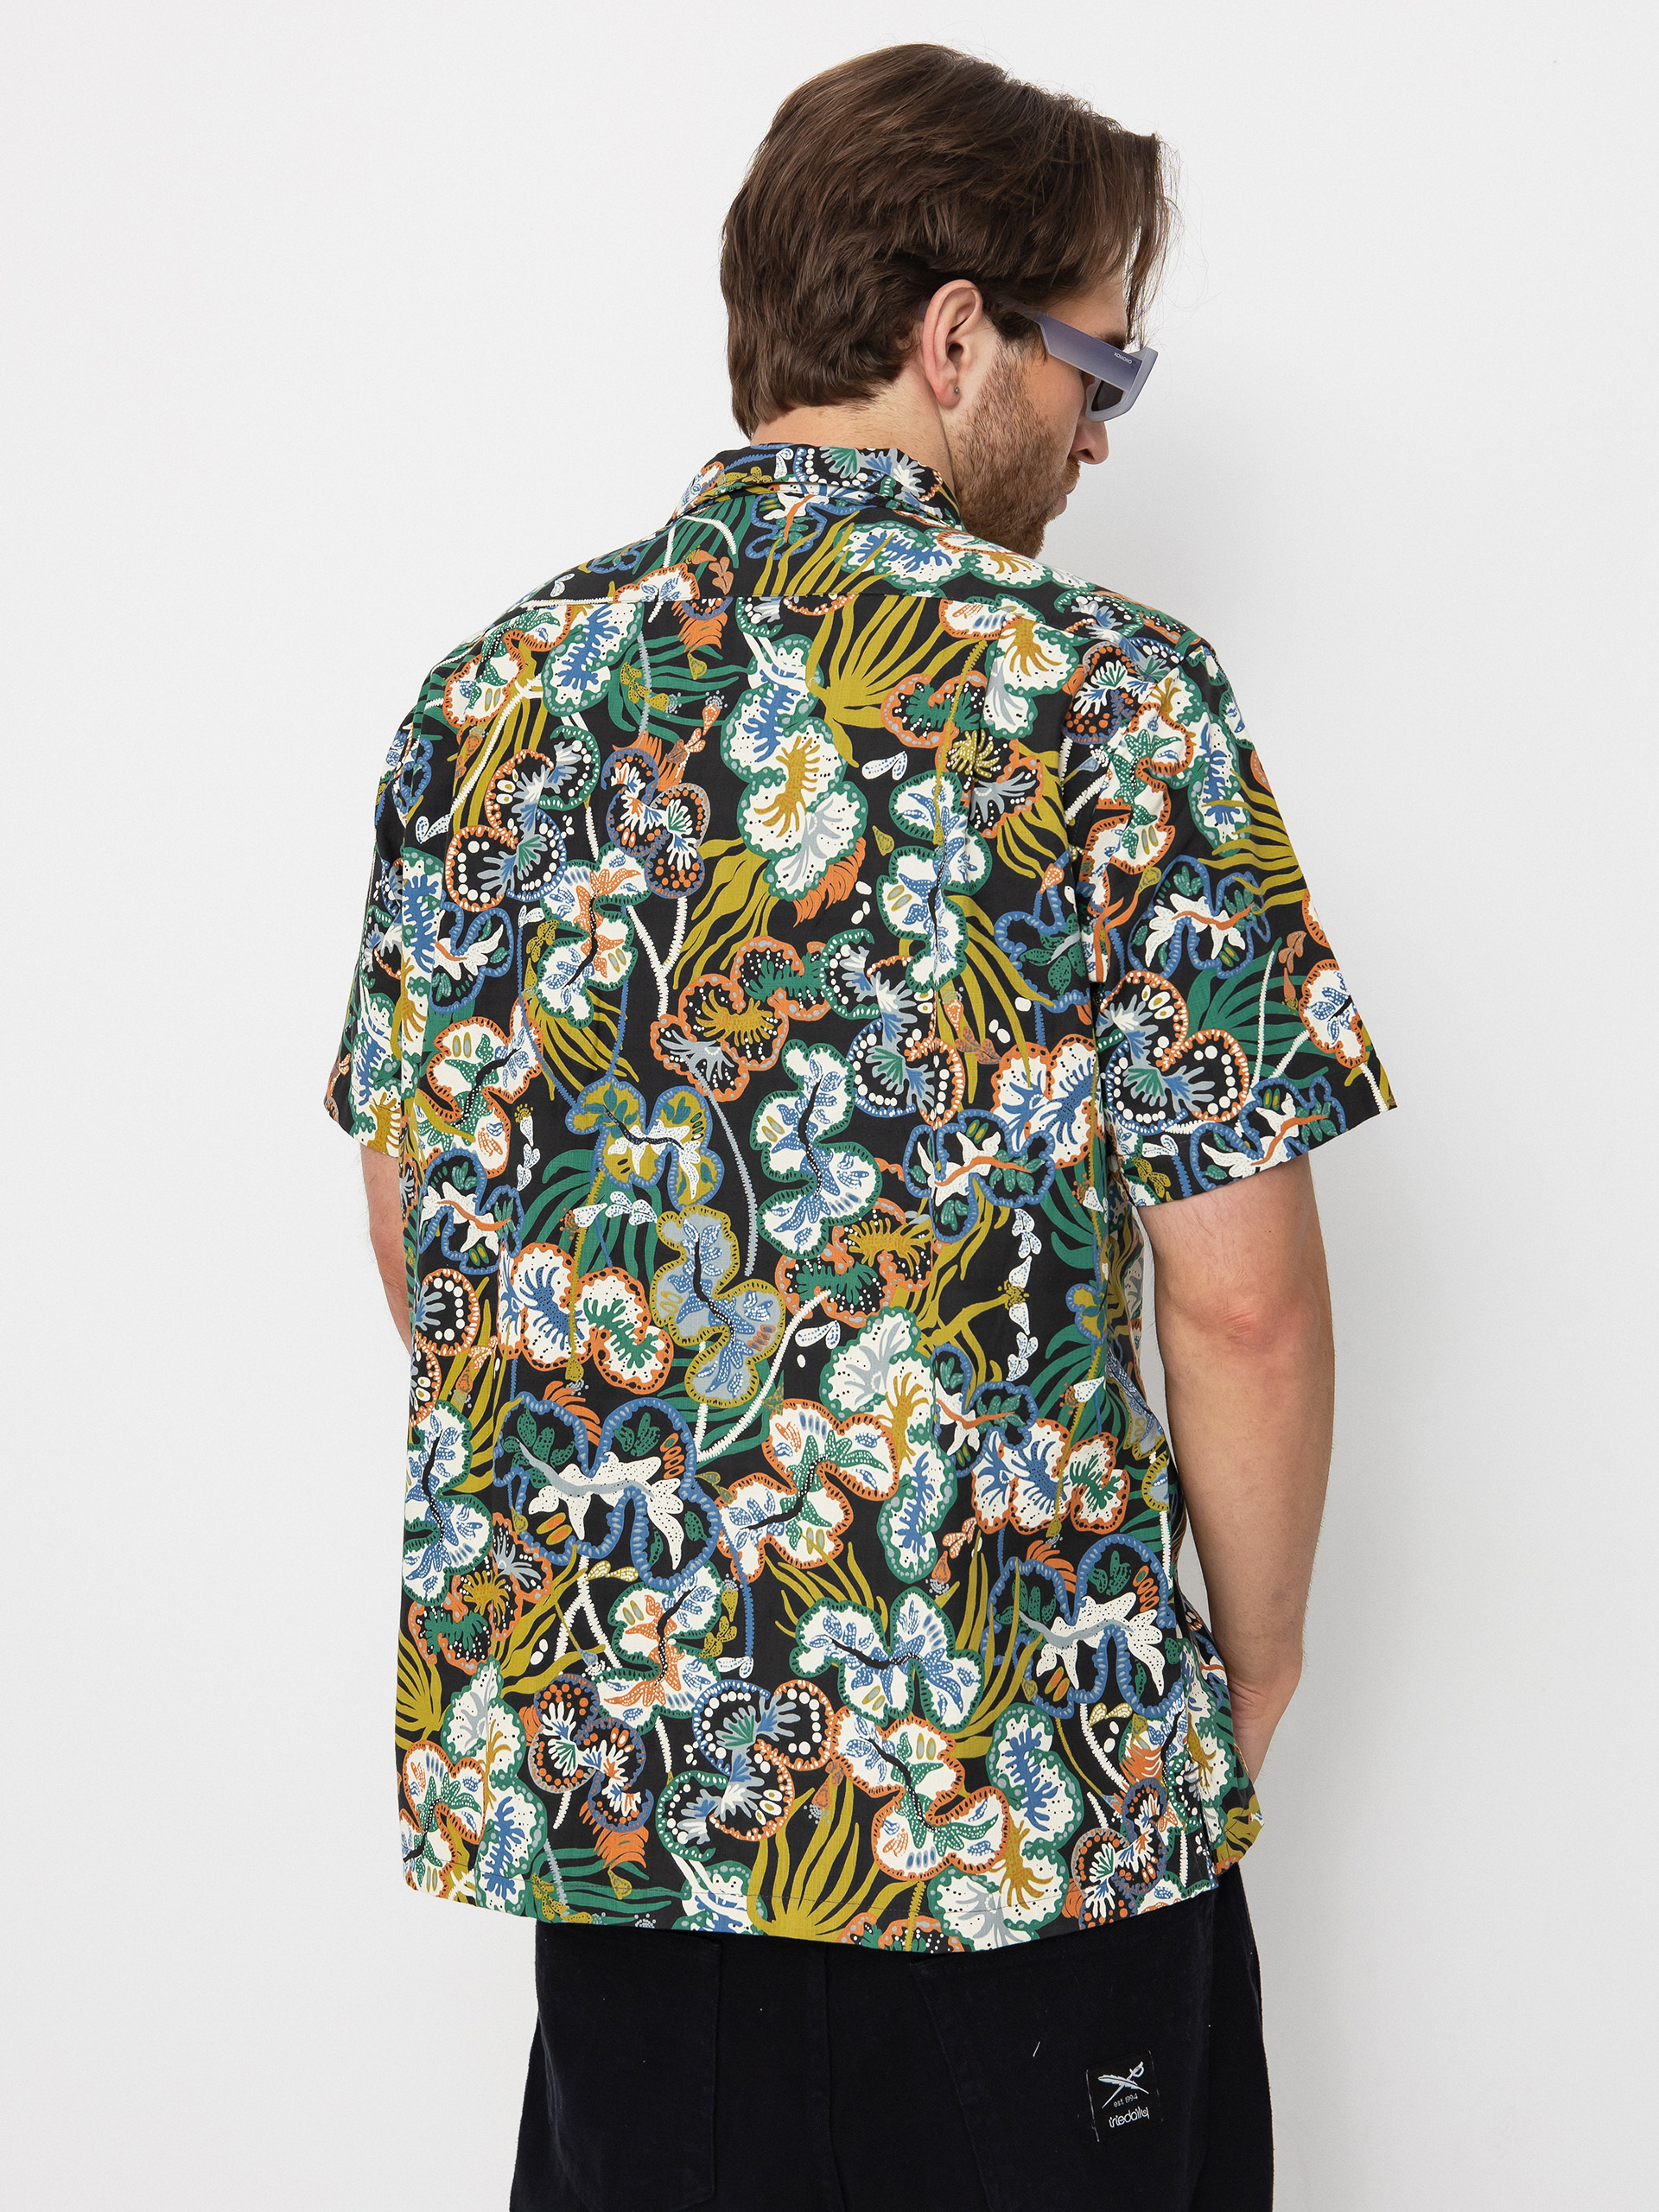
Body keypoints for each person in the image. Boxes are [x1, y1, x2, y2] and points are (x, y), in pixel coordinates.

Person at [325, 41, 1393, 2211]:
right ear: (953, 336)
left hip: (633, 1830)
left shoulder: (487, 704)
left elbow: (426, 1235)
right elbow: (1247, 1305)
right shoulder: (1113, 700)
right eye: (1101, 361)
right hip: (1031, 1804)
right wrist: (1253, 1656)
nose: (1103, 429)